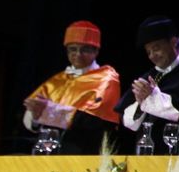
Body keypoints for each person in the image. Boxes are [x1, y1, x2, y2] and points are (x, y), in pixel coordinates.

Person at [115, 16, 179, 154]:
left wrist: (151, 97)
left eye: (156, 48)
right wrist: (140, 103)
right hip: (149, 154)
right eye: (148, 51)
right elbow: (129, 123)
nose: (152, 56)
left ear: (174, 42)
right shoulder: (150, 75)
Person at [22, 21, 121, 155]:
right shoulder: (58, 80)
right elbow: (32, 121)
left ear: (96, 51)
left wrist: (49, 111)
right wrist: (35, 116)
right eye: (73, 49)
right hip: (51, 152)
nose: (78, 54)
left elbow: (96, 121)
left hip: (87, 151)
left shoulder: (106, 78)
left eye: (85, 49)